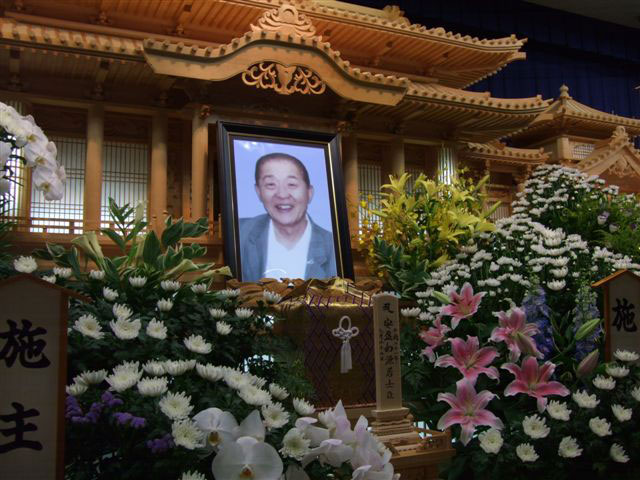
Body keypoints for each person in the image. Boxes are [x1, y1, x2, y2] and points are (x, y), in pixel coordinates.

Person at [239, 152, 337, 282]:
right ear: (258, 192)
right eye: (271, 184)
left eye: (291, 184)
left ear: (309, 193)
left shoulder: (333, 247)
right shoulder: (240, 233)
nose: (282, 194)